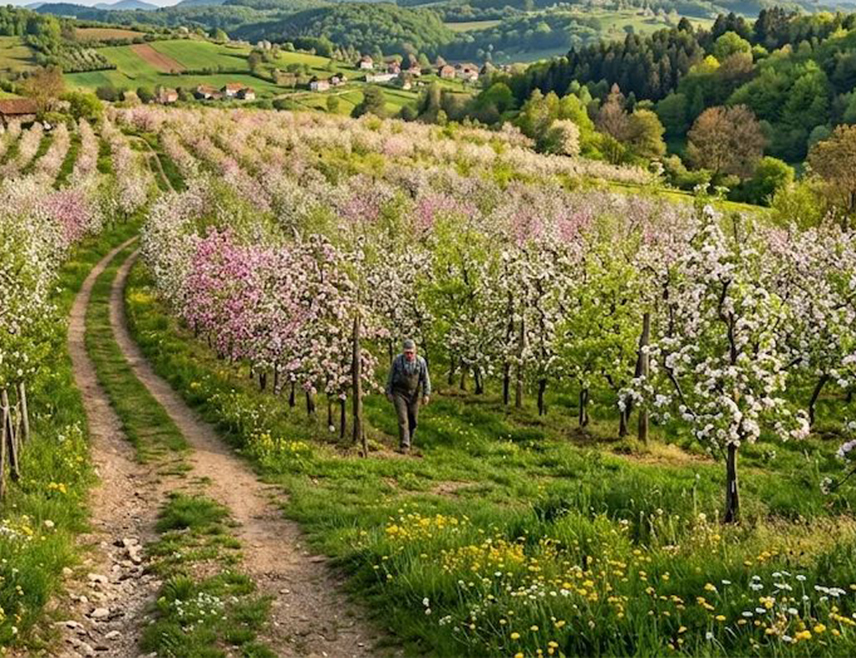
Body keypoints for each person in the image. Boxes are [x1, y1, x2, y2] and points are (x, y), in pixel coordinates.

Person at [386, 339, 431, 454]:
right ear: (403, 352)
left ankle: (409, 440)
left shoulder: (421, 362)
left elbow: (426, 379)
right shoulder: (397, 361)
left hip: (415, 394)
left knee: (413, 420)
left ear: (415, 352)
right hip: (399, 393)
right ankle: (404, 445)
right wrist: (388, 392)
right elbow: (390, 378)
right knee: (403, 419)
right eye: (407, 353)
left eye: (411, 352)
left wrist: (426, 394)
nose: (409, 355)